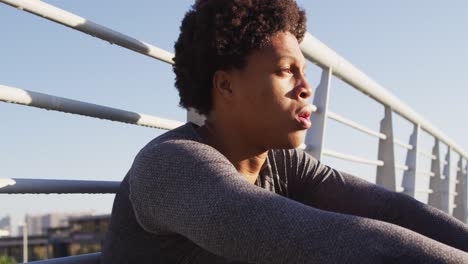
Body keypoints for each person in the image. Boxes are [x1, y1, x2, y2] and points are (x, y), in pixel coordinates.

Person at [101, 0, 468, 263]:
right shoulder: (171, 165)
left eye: (304, 70)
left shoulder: (281, 163)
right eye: (285, 70)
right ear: (226, 86)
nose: (307, 87)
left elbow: (395, 212)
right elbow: (342, 242)